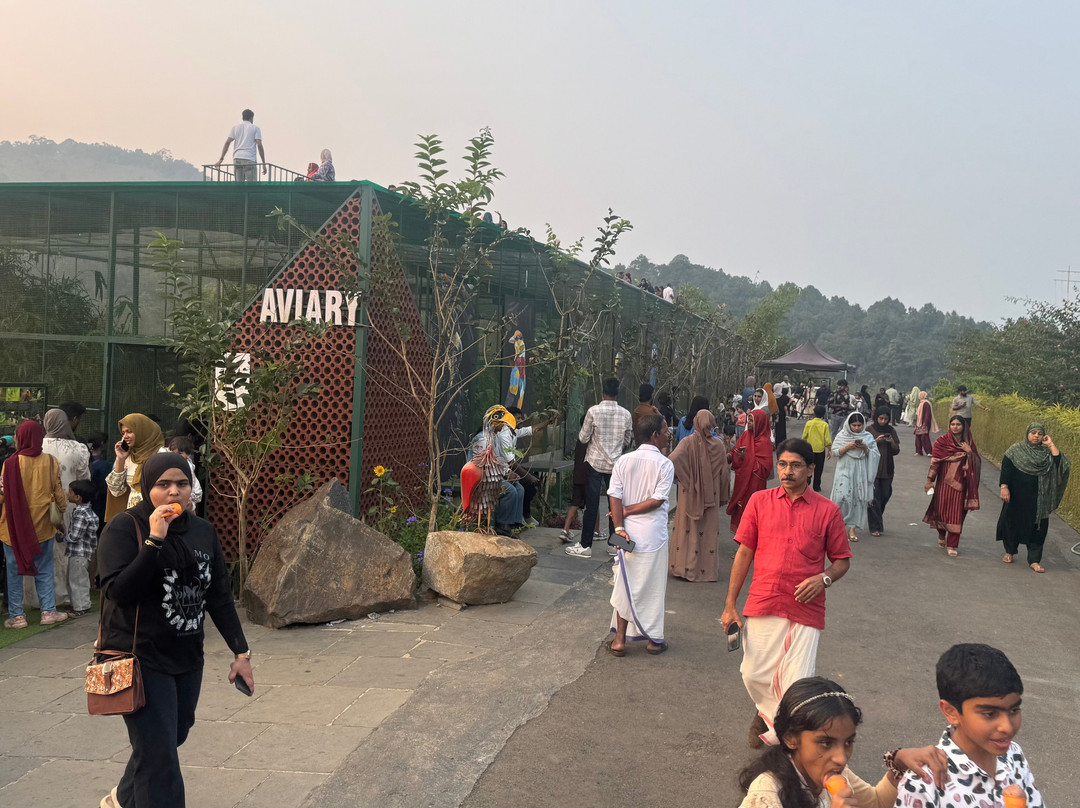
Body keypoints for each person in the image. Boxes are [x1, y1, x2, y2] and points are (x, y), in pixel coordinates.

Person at [98, 453, 253, 808]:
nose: (173, 492)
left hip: (187, 656)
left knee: (170, 739)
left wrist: (241, 653)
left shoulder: (203, 531)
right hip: (139, 657)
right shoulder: (125, 528)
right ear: (146, 488)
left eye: (182, 484)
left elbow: (218, 596)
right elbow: (118, 591)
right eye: (163, 485)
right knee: (160, 758)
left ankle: (122, 798)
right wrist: (155, 540)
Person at [722, 439, 851, 748]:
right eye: (782, 464)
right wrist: (729, 604)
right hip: (764, 598)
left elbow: (841, 561)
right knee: (753, 673)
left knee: (797, 682)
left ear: (810, 469)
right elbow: (744, 553)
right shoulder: (759, 502)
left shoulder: (828, 511)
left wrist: (824, 579)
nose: (787, 471)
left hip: (806, 607)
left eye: (795, 465)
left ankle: (783, 741)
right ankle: (767, 712)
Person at [738, 676, 947, 808]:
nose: (841, 758)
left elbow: (876, 802)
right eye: (825, 743)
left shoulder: (835, 772)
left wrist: (898, 763)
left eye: (848, 742)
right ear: (790, 739)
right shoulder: (766, 795)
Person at [895, 643, 1043, 807]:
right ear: (951, 712)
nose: (1007, 727)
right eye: (990, 714)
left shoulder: (1013, 754)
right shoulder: (924, 785)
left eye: (1014, 710)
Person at [607, 415, 674, 656]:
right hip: (653, 535)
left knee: (624, 584)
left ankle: (619, 640)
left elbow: (614, 495)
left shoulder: (623, 461)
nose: (669, 434)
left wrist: (619, 525)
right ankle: (654, 640)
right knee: (653, 587)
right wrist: (625, 511)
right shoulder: (665, 464)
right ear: (655, 435)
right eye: (665, 430)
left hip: (626, 534)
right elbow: (657, 501)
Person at [0, 420, 68, 628]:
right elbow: (59, 495)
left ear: (20, 438)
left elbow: (2, 495)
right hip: (43, 526)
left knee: (13, 571)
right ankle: (48, 612)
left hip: (13, 528)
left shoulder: (10, 463)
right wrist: (61, 516)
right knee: (44, 568)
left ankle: (17, 616)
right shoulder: (50, 462)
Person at [566, 378, 633, 559]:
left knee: (592, 505)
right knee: (615, 504)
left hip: (594, 463)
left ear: (603, 391)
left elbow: (583, 438)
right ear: (617, 393)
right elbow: (628, 440)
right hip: (616, 466)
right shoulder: (625, 414)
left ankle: (585, 546)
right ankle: (614, 545)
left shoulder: (593, 411)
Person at [997, 422, 1070, 573]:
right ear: (1027, 434)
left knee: (1038, 527)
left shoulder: (1046, 453)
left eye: (1040, 433)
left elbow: (1061, 464)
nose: (1036, 436)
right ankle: (1010, 552)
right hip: (1016, 496)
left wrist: (1050, 444)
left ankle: (1034, 560)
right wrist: (1004, 487)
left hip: (1039, 499)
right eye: (1033, 433)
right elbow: (1006, 469)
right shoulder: (1016, 450)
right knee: (1012, 523)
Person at [39, 407, 91, 609]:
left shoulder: (38, 446)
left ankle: (42, 596)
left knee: (44, 547)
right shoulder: (78, 448)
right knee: (66, 547)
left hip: (40, 504)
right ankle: (66, 594)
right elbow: (84, 478)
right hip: (68, 504)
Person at [668, 410, 729, 582]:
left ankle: (683, 569)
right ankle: (706, 572)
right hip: (711, 495)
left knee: (688, 529)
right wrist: (723, 496)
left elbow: (671, 459)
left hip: (689, 494)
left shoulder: (687, 443)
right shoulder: (718, 446)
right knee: (707, 530)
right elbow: (724, 474)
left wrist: (685, 478)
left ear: (695, 422)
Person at [923, 415, 981, 557]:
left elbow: (977, 462)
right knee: (941, 511)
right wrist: (930, 480)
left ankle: (952, 544)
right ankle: (941, 532)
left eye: (958, 424)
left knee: (957, 513)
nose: (955, 427)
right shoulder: (942, 441)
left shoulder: (968, 443)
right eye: (953, 424)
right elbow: (935, 462)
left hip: (962, 484)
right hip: (943, 483)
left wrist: (969, 452)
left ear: (964, 427)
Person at [105, 413, 165, 522]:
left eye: (129, 431)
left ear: (143, 431)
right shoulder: (128, 456)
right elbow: (116, 491)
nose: (125, 436)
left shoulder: (161, 455)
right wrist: (120, 459)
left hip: (156, 516)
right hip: (133, 517)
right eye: (123, 433)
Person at [829, 412, 879, 543]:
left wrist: (865, 448)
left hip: (860, 471)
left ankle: (852, 529)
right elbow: (834, 452)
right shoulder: (842, 435)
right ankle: (838, 525)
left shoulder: (868, 437)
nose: (857, 428)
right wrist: (847, 447)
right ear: (848, 425)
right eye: (854, 425)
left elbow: (875, 454)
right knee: (842, 497)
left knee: (857, 498)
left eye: (859, 425)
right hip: (844, 470)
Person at [727, 409, 773, 533]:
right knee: (740, 508)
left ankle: (750, 538)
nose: (750, 423)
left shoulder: (765, 442)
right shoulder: (746, 435)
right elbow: (735, 450)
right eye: (749, 420)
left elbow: (765, 468)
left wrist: (746, 457)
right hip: (742, 480)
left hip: (755, 484)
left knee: (752, 509)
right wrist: (731, 455)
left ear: (760, 423)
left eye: (752, 421)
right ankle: (741, 537)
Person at [559, 418, 602, 545]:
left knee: (575, 503)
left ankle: (565, 530)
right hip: (590, 476)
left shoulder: (580, 438)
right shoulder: (593, 439)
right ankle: (596, 531)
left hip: (578, 476)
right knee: (593, 503)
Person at [63, 479, 98, 617]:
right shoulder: (88, 512)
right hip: (85, 552)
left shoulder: (81, 513)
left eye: (70, 492)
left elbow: (75, 536)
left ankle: (80, 607)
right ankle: (80, 605)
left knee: (77, 580)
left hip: (78, 552)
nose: (68, 494)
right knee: (78, 579)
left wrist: (63, 537)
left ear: (78, 497)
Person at [866, 407, 900, 537]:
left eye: (886, 419)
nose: (883, 421)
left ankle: (877, 518)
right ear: (876, 417)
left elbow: (896, 450)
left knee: (885, 495)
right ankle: (875, 527)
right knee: (874, 498)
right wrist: (875, 442)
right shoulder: (869, 430)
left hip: (887, 468)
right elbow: (863, 448)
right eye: (881, 418)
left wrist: (891, 442)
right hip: (872, 468)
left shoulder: (891, 430)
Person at [214, 108, 266, 182]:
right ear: (251, 118)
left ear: (242, 117)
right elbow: (259, 145)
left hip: (237, 158)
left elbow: (227, 143)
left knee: (239, 184)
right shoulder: (255, 128)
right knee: (252, 185)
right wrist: (263, 163)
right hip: (249, 159)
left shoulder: (235, 128)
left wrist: (221, 159)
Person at [801, 405, 832, 493]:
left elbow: (804, 436)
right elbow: (827, 439)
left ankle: (807, 482)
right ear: (823, 414)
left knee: (808, 467)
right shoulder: (824, 425)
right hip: (820, 450)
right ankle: (817, 486)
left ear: (814, 413)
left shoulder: (809, 423)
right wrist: (829, 450)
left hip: (809, 449)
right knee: (819, 469)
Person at [166, 436, 203, 508]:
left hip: (189, 496)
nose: (175, 456)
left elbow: (192, 484)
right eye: (173, 453)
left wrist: (190, 498)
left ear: (188, 455)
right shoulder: (167, 461)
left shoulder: (188, 466)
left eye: (180, 453)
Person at [913, 390, 938, 457]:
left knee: (924, 437)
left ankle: (929, 451)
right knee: (918, 437)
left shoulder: (926, 403)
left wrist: (925, 423)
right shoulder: (921, 403)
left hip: (924, 423)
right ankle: (919, 451)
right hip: (919, 423)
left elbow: (927, 414)